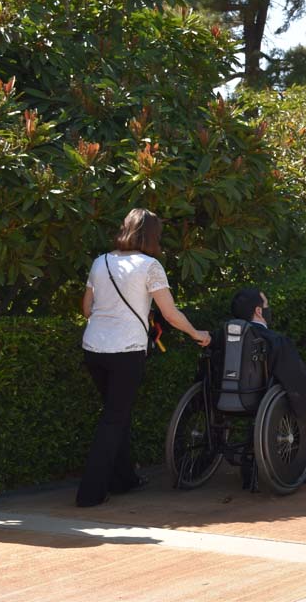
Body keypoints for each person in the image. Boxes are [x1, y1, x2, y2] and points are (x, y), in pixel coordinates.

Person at [77, 208, 211, 507]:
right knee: (113, 419)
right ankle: (90, 493)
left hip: (93, 349)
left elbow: (86, 310)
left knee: (116, 414)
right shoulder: (150, 266)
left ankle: (123, 480)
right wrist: (196, 333)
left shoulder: (101, 262)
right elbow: (170, 314)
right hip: (126, 351)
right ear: (153, 235)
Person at [228, 287, 306, 487]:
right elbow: (294, 376)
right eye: (266, 305)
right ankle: (305, 459)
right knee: (305, 396)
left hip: (223, 398)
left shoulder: (221, 337)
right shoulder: (274, 339)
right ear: (259, 311)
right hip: (259, 399)